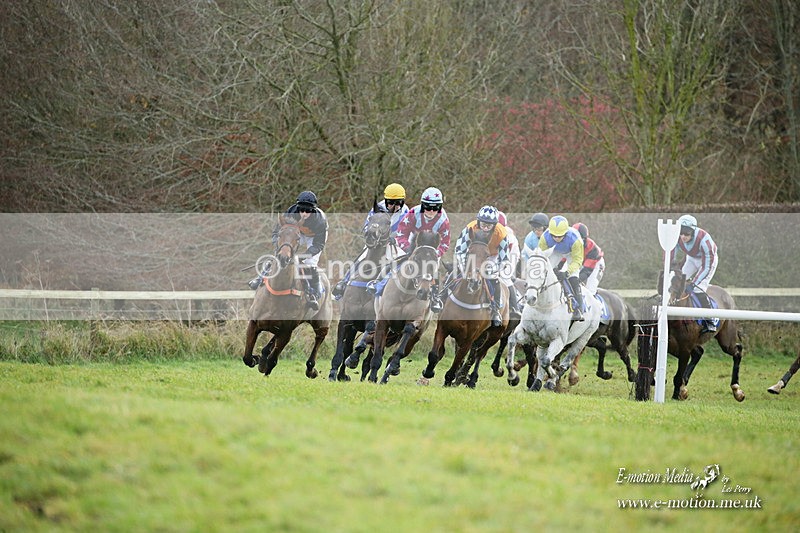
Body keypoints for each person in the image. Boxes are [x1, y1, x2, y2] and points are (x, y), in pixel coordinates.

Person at [368, 187, 451, 307]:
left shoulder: (444, 220)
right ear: (422, 205)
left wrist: (436, 254)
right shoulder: (414, 213)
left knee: (434, 269)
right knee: (395, 260)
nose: (431, 211)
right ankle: (379, 283)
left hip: (431, 249)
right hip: (412, 243)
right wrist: (407, 249)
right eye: (428, 207)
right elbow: (402, 233)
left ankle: (435, 298)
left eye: (435, 208)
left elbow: (445, 243)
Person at [248, 190, 328, 311]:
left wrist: (304, 255)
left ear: (313, 210)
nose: (304, 214)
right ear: (297, 208)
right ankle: (260, 278)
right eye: (302, 210)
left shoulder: (320, 221)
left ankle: (314, 294)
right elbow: (277, 233)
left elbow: (319, 244)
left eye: (308, 211)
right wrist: (279, 247)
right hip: (296, 233)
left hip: (314, 237)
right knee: (280, 254)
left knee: (310, 264)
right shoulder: (290, 213)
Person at [332, 183, 408, 299]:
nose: (394, 206)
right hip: (375, 241)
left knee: (402, 260)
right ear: (386, 200)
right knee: (361, 257)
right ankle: (343, 283)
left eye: (398, 203)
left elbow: (405, 231)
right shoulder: (377, 208)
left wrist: (395, 239)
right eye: (391, 203)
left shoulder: (406, 211)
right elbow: (367, 226)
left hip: (393, 243)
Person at [451, 206, 518, 327]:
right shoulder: (469, 228)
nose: (486, 227)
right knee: (454, 272)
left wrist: (492, 270)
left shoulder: (502, 233)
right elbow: (459, 251)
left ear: (495, 225)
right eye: (483, 224)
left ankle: (496, 309)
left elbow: (504, 259)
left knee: (493, 278)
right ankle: (442, 297)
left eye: (489, 225)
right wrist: (464, 269)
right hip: (471, 254)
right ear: (478, 221)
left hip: (491, 257)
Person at [670, 214, 719, 333]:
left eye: (686, 233)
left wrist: (694, 283)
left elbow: (706, 267)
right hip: (691, 258)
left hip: (707, 262)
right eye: (681, 232)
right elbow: (671, 251)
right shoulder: (677, 236)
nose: (683, 236)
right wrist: (671, 265)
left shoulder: (704, 240)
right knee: (675, 280)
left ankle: (710, 319)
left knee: (697, 288)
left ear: (693, 231)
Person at [537, 215, 585, 321]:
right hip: (555, 252)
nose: (556, 238)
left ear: (566, 233)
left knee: (573, 278)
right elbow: (541, 255)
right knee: (546, 273)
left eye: (560, 236)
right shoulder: (545, 237)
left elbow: (577, 261)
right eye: (554, 236)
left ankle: (579, 310)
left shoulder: (575, 240)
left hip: (571, 253)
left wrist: (567, 272)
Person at [572, 222, 605, 296]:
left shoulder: (592, 248)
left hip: (596, 264)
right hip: (582, 263)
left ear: (585, 238)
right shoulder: (568, 244)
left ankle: (596, 306)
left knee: (590, 290)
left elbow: (587, 271)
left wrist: (576, 280)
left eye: (581, 239)